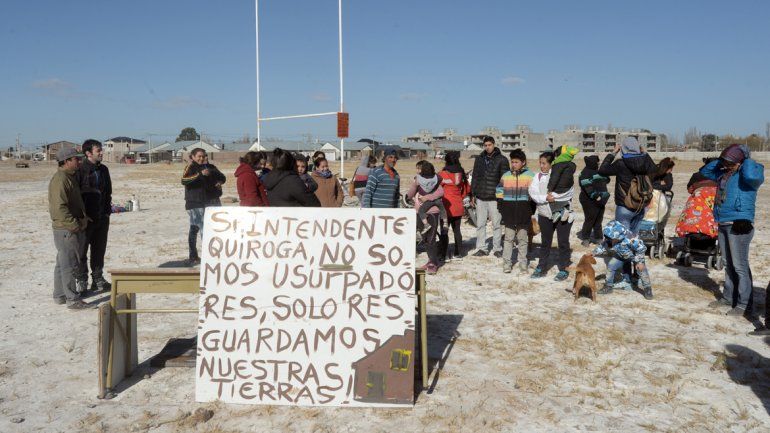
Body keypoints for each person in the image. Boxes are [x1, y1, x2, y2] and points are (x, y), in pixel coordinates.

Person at [701, 144, 764, 318]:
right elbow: (705, 172)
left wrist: (746, 159)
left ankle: (744, 305)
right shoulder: (725, 174)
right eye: (725, 162)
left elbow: (751, 175)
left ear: (740, 161)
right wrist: (721, 160)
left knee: (740, 266)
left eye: (730, 162)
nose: (727, 165)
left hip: (740, 223)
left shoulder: (751, 172)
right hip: (723, 221)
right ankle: (728, 298)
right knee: (728, 264)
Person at [49, 147, 91, 309]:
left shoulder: (68, 177)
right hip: (67, 229)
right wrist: (74, 225)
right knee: (70, 264)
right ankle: (72, 300)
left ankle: (60, 295)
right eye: (76, 159)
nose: (79, 161)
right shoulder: (60, 180)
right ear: (66, 161)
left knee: (62, 262)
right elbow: (59, 208)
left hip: (67, 228)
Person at [75, 139, 113, 294]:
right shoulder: (80, 170)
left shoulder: (104, 169)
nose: (102, 153)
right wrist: (82, 216)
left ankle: (98, 279)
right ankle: (82, 280)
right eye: (98, 150)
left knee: (99, 250)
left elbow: (108, 193)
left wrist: (106, 212)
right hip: (85, 221)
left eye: (101, 150)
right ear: (88, 153)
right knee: (81, 251)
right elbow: (75, 197)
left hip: (102, 218)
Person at [529, 151, 573, 281]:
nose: (541, 166)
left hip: (562, 214)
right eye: (540, 163)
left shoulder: (562, 175)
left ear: (551, 163)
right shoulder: (537, 177)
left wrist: (554, 197)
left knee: (563, 242)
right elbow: (533, 192)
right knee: (545, 242)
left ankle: (564, 268)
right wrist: (545, 198)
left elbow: (569, 192)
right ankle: (541, 267)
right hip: (544, 214)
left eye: (544, 163)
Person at [598, 137, 657, 235]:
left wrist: (613, 153)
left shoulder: (620, 163)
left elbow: (602, 170)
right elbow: (655, 170)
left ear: (623, 149)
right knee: (634, 237)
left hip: (624, 205)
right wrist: (645, 153)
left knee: (622, 237)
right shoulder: (645, 162)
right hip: (640, 204)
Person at [181, 148, 225, 265]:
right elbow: (184, 180)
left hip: (208, 202)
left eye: (204, 156)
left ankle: (199, 256)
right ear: (193, 157)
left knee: (204, 229)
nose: (202, 158)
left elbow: (222, 177)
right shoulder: (190, 167)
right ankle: (202, 257)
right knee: (200, 229)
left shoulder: (211, 167)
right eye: (199, 156)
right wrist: (200, 174)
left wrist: (219, 182)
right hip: (195, 203)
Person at [496, 149, 535, 274]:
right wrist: (501, 206)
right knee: (508, 239)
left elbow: (534, 193)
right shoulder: (506, 175)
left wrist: (531, 209)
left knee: (522, 239)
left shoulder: (530, 176)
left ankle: (523, 264)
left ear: (523, 162)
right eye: (512, 162)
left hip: (524, 212)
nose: (513, 164)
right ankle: (507, 264)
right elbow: (499, 190)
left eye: (516, 162)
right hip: (509, 213)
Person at [594, 220, 654, 300]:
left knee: (641, 269)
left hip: (635, 256)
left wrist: (639, 262)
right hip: (621, 256)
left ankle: (647, 289)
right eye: (607, 237)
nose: (608, 239)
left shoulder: (631, 239)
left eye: (611, 238)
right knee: (611, 265)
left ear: (619, 236)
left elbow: (641, 248)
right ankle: (608, 286)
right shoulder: (610, 238)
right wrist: (594, 252)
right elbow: (603, 245)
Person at [471, 136, 508, 257]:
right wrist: (473, 193)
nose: (487, 147)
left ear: (494, 144)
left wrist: (501, 196)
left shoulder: (502, 160)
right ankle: (481, 248)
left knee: (497, 225)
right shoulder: (479, 159)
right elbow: (475, 177)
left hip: (494, 198)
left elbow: (505, 180)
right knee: (480, 224)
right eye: (485, 145)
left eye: (489, 145)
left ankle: (497, 248)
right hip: (480, 197)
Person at [406, 161, 445, 275]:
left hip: (423, 211)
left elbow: (410, 194)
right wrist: (430, 197)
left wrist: (409, 197)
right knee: (428, 238)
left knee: (429, 238)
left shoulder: (418, 180)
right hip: (431, 212)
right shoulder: (437, 179)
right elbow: (441, 192)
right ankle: (430, 261)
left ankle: (433, 263)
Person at [438, 151, 471, 261]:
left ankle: (443, 255)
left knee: (444, 231)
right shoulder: (461, 173)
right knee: (457, 230)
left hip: (446, 206)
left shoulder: (442, 174)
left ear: (446, 161)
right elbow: (466, 189)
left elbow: (436, 188)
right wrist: (460, 197)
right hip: (458, 206)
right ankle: (458, 253)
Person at [578, 155, 610, 246]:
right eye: (597, 162)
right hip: (589, 200)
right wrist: (596, 196)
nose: (599, 163)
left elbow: (606, 180)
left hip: (601, 200)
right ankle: (586, 238)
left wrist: (605, 174)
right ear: (592, 163)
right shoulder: (585, 172)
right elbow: (587, 186)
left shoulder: (598, 171)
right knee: (590, 219)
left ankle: (598, 237)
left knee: (599, 219)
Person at [546, 145, 579, 222]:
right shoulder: (572, 165)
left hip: (560, 188)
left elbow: (554, 178)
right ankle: (569, 211)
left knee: (550, 198)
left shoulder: (558, 165)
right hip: (569, 188)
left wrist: (549, 189)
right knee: (566, 200)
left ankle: (557, 212)